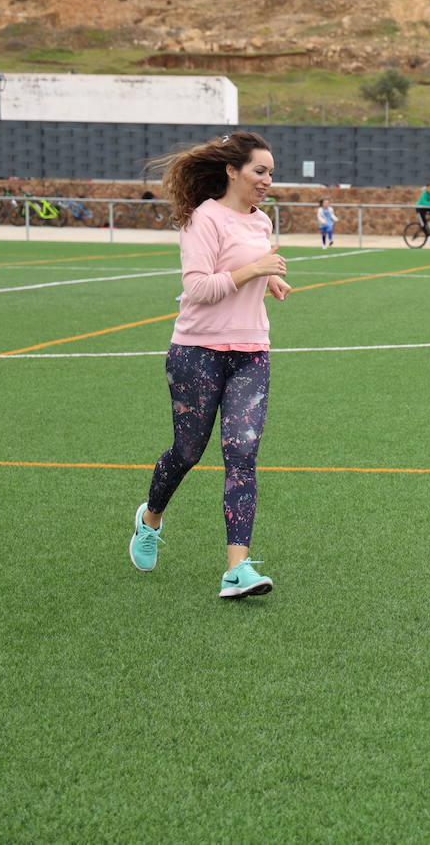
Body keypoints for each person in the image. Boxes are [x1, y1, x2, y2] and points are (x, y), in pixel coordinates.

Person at [128, 131, 292, 599]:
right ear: (232, 170)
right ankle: (151, 517)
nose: (267, 181)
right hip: (197, 352)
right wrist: (255, 272)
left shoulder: (261, 222)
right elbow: (199, 287)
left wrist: (269, 284)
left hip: (251, 352)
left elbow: (250, 270)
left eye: (271, 173)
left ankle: (236, 570)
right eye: (260, 171)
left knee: (242, 454)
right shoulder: (204, 218)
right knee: (188, 452)